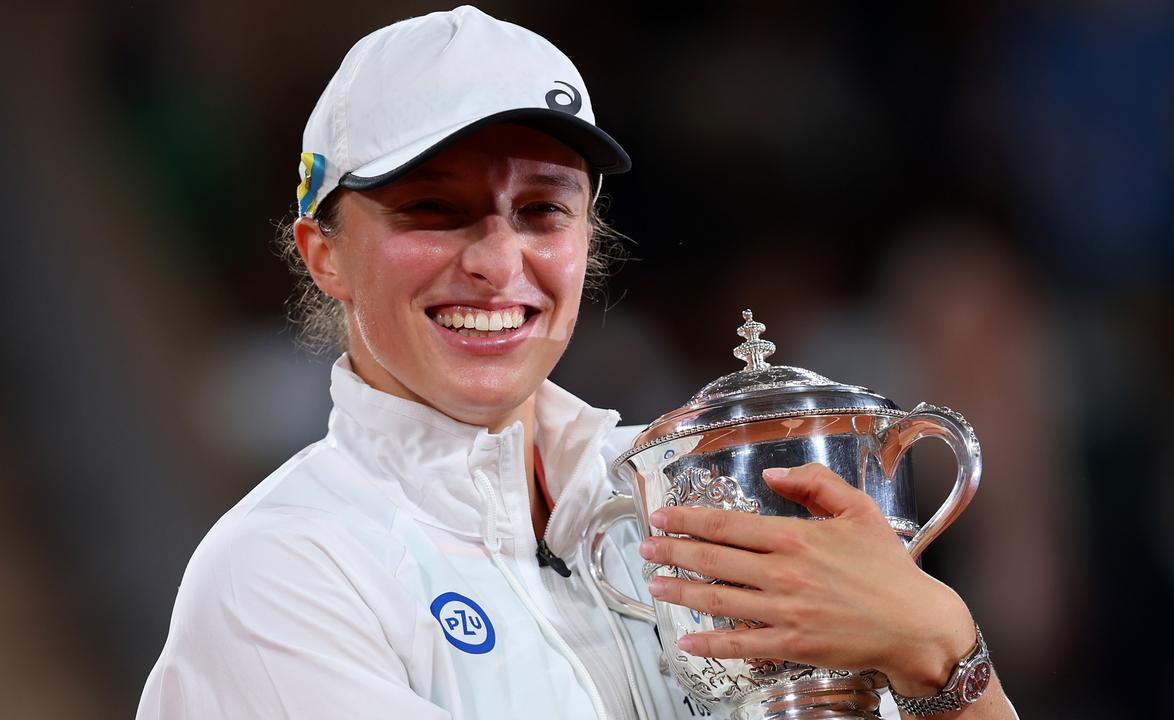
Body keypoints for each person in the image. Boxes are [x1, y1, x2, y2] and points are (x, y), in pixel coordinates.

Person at [137, 7, 1018, 719]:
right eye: (434, 209)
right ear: (322, 251)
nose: (496, 259)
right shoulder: (284, 575)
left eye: (542, 210)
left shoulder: (682, 502)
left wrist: (938, 646)